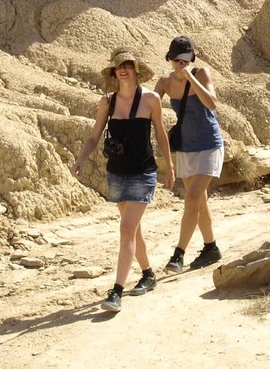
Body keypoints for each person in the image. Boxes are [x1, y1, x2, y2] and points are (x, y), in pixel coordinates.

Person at [71, 48, 174, 313]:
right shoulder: (108, 101)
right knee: (133, 229)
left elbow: (161, 135)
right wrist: (81, 158)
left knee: (127, 229)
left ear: (136, 69)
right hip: (116, 171)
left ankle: (116, 291)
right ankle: (149, 274)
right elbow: (95, 136)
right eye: (118, 67)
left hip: (143, 172)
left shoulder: (151, 99)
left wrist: (170, 167)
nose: (123, 70)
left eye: (127, 65)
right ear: (114, 72)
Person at [155, 36, 225, 274]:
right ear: (170, 59)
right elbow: (150, 106)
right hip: (186, 146)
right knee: (199, 201)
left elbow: (212, 103)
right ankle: (211, 247)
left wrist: (191, 78)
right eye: (176, 59)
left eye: (185, 59)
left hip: (209, 144)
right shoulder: (164, 82)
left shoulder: (202, 73)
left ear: (192, 58)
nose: (180, 63)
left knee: (193, 198)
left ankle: (178, 254)